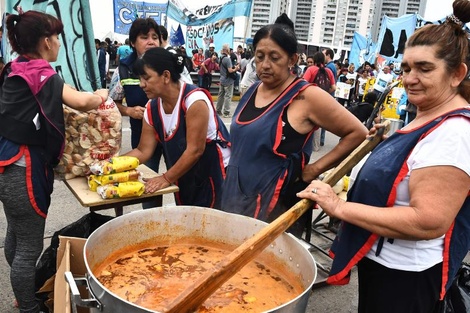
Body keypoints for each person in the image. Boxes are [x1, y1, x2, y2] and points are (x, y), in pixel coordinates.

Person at [297, 2, 470, 311]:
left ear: (457, 74)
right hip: (383, 264)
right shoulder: (426, 116)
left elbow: (427, 221)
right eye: (406, 68)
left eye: (424, 68)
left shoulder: (454, 133)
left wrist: (339, 207)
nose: (410, 78)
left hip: (407, 278)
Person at [220, 13, 367, 238]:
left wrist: (315, 170)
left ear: (292, 60)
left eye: (275, 57)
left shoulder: (307, 96)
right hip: (235, 192)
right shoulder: (253, 90)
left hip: (275, 202)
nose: (265, 65)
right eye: (259, 57)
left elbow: (357, 133)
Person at [0, 9, 108, 313]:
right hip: (25, 169)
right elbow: (81, 101)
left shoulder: (15, 67)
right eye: (57, 36)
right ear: (46, 41)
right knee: (28, 249)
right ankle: (29, 307)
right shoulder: (41, 72)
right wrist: (100, 94)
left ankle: (23, 291)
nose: (60, 42)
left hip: (6, 164)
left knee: (17, 236)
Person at [127, 47, 231, 208]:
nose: (142, 84)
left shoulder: (194, 101)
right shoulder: (151, 108)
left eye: (146, 78)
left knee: (212, 224)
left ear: (166, 76)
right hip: (185, 173)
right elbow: (143, 151)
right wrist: (109, 165)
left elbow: (195, 150)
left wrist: (166, 178)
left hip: (214, 174)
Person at [108, 18, 163, 209]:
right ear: (132, 42)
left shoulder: (171, 65)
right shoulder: (123, 69)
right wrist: (128, 111)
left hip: (173, 137)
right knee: (148, 184)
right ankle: (151, 224)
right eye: (144, 37)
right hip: (142, 138)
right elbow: (111, 103)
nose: (151, 41)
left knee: (179, 182)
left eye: (155, 37)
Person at [216, 43, 240, 118]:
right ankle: (226, 112)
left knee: (221, 95)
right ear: (226, 50)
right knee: (228, 96)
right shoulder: (227, 59)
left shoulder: (221, 57)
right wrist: (236, 69)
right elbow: (230, 70)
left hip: (222, 79)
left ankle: (218, 110)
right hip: (228, 80)